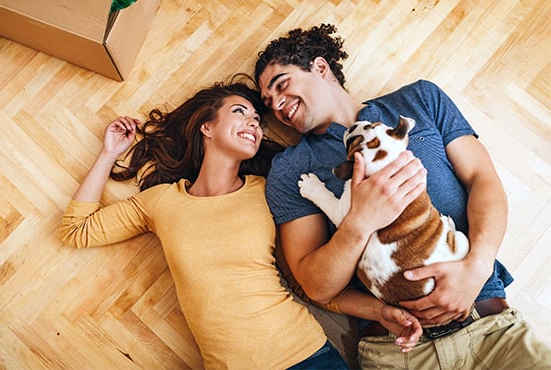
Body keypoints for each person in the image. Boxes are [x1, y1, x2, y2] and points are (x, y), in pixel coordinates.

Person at [254, 24, 551, 369]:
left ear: (320, 68)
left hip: (492, 330)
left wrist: (479, 266)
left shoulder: (421, 99)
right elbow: (315, 285)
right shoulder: (290, 171)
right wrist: (360, 222)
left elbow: (483, 180)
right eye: (268, 102)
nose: (276, 104)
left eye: (282, 85)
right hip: (400, 352)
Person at [58, 79, 350, 369]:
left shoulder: (268, 190)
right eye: (240, 112)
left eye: (258, 120)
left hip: (307, 356)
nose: (253, 124)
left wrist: (380, 312)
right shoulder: (161, 202)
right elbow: (76, 229)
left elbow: (305, 282)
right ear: (206, 126)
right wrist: (109, 153)